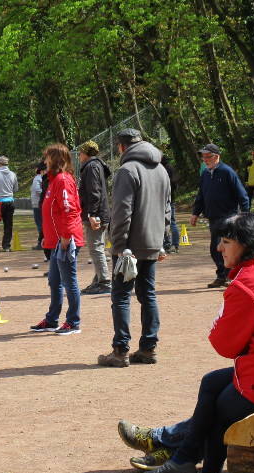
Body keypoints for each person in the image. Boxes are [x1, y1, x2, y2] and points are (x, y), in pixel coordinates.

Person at [123, 213, 254, 473]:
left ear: (247, 244)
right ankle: (184, 458)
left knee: (220, 409)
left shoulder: (249, 282)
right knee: (211, 382)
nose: (219, 248)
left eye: (226, 241)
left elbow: (224, 345)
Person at [97, 128, 170, 367]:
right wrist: (161, 242)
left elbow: (122, 212)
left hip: (129, 246)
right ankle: (148, 348)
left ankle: (120, 350)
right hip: (151, 243)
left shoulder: (127, 170)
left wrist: (118, 244)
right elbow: (167, 210)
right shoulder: (161, 170)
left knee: (121, 297)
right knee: (148, 294)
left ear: (121, 147)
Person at [29, 143, 84, 335]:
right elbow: (52, 213)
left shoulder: (62, 180)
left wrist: (66, 236)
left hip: (66, 240)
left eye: (48, 158)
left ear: (56, 159)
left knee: (69, 281)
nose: (45, 161)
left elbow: (69, 210)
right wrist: (47, 237)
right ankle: (52, 319)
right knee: (54, 281)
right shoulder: (53, 180)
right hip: (56, 241)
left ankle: (73, 322)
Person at [190, 143, 249, 288]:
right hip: (213, 217)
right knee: (215, 248)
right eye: (203, 158)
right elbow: (201, 196)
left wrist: (245, 213)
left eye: (208, 157)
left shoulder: (227, 172)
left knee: (229, 247)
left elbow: (241, 194)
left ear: (216, 156)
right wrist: (195, 213)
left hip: (228, 216)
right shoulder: (205, 174)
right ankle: (221, 275)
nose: (205, 160)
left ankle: (230, 275)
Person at [77, 140, 112, 294]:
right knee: (97, 246)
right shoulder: (97, 166)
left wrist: (92, 214)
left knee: (95, 247)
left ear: (86, 153)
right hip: (100, 212)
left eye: (80, 153)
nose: (78, 156)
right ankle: (97, 280)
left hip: (96, 213)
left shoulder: (91, 167)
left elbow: (94, 192)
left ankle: (104, 281)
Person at [161, 154, 180, 253]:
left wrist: (166, 191)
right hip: (161, 200)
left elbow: (174, 184)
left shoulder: (168, 168)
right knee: (163, 222)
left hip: (169, 200)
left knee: (172, 222)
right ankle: (167, 243)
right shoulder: (159, 168)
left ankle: (175, 244)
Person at [30, 161, 46, 249]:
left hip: (37, 204)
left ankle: (41, 242)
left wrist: (45, 194)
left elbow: (37, 189)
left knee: (40, 223)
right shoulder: (45, 178)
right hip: (42, 203)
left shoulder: (37, 178)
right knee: (43, 223)